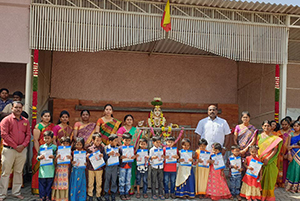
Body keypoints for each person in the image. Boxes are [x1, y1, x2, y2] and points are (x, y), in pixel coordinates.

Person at [0, 101, 31, 201]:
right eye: (16, 107)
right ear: (12, 108)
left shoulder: (25, 121)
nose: (18, 109)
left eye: (20, 107)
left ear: (22, 109)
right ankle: (2, 194)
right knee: (6, 172)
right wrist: (15, 146)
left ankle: (16, 192)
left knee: (18, 171)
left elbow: (28, 135)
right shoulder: (6, 120)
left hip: (21, 150)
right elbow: (4, 134)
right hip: (9, 149)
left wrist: (23, 145)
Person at [117, 114, 142, 194]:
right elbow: (119, 141)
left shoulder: (136, 130)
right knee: (122, 174)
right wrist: (124, 150)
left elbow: (138, 142)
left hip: (132, 154)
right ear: (124, 121)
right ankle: (122, 190)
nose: (129, 121)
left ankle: (130, 189)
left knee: (131, 171)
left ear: (133, 121)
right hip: (124, 154)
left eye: (130, 119)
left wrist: (135, 151)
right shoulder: (121, 129)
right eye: (127, 119)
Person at [257, 120, 282, 201]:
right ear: (262, 127)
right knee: (260, 178)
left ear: (271, 127)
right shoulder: (259, 136)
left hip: (270, 161)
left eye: (268, 126)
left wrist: (268, 158)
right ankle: (260, 195)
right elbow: (257, 147)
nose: (266, 127)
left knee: (270, 178)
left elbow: (275, 150)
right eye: (264, 126)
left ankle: (268, 197)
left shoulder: (275, 138)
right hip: (260, 160)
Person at [32, 110, 55, 195]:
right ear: (41, 117)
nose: (47, 118)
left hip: (50, 151)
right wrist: (39, 153)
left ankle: (47, 191)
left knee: (48, 169)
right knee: (39, 170)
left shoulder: (52, 126)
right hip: (40, 150)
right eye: (45, 116)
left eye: (48, 116)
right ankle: (37, 189)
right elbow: (35, 140)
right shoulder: (39, 126)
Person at [37, 131, 57, 201]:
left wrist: (54, 156)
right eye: (45, 138)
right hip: (42, 170)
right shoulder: (41, 147)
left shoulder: (54, 147)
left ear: (52, 138)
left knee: (49, 184)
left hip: (50, 169)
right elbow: (38, 156)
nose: (46, 140)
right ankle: (42, 197)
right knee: (42, 184)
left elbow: (56, 156)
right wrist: (39, 158)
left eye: (48, 138)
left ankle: (48, 196)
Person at [51, 137, 72, 201]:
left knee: (66, 183)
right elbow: (55, 162)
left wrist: (71, 158)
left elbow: (73, 163)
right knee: (58, 183)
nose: (65, 145)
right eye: (63, 143)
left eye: (67, 143)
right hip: (59, 170)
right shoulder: (58, 151)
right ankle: (57, 197)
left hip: (66, 170)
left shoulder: (70, 151)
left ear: (69, 144)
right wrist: (56, 158)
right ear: (61, 144)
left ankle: (65, 198)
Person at [86, 133, 105, 201]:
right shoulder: (89, 148)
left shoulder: (102, 148)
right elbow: (86, 158)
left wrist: (103, 156)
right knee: (90, 182)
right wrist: (87, 157)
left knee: (99, 182)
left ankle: (98, 195)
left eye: (100, 140)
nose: (98, 142)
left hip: (99, 168)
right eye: (97, 140)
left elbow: (105, 157)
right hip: (91, 168)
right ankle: (90, 195)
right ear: (93, 140)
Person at [119, 133, 137, 200]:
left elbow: (133, 156)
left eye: (129, 140)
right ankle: (121, 193)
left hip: (129, 166)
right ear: (122, 140)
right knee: (122, 180)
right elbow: (117, 157)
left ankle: (127, 192)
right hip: (122, 166)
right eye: (126, 140)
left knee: (128, 180)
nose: (127, 142)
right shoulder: (120, 148)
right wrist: (120, 157)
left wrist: (134, 157)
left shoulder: (132, 147)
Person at [276, 118, 293, 187]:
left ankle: (285, 182)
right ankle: (279, 182)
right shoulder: (278, 132)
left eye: (286, 124)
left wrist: (288, 152)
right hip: (279, 153)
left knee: (287, 167)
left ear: (289, 125)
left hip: (288, 152)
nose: (284, 126)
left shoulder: (291, 133)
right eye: (282, 124)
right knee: (280, 166)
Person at [103, 134, 120, 201]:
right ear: (110, 141)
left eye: (117, 141)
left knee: (114, 180)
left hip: (115, 167)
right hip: (108, 167)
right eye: (115, 141)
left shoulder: (118, 148)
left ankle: (113, 193)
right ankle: (106, 193)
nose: (117, 142)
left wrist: (119, 155)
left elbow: (120, 157)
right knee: (107, 180)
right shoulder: (106, 148)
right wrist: (108, 155)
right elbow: (104, 158)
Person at [285, 121, 300, 193]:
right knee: (292, 168)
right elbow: (288, 145)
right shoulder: (291, 134)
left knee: (298, 169)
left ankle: (297, 187)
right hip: (292, 153)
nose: (295, 127)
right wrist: (289, 154)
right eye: (294, 126)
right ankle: (291, 186)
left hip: (299, 153)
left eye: (297, 126)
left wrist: (293, 146)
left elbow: (291, 146)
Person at [149, 136, 165, 200]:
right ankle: (153, 194)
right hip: (154, 167)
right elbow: (149, 158)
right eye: (157, 142)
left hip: (160, 166)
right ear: (153, 142)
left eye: (159, 142)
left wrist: (163, 157)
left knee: (160, 180)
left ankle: (160, 193)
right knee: (153, 181)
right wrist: (152, 157)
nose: (158, 144)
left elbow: (162, 157)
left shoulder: (161, 149)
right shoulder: (151, 150)